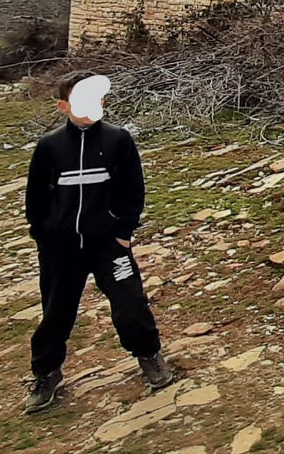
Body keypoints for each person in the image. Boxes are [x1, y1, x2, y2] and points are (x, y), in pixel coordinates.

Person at [23, 72, 178, 414]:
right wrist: (43, 235)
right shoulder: (49, 147)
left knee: (129, 302)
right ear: (64, 106)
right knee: (56, 311)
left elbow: (132, 190)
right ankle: (46, 373)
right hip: (61, 247)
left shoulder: (118, 140)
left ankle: (149, 357)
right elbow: (36, 197)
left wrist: (124, 231)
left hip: (108, 243)